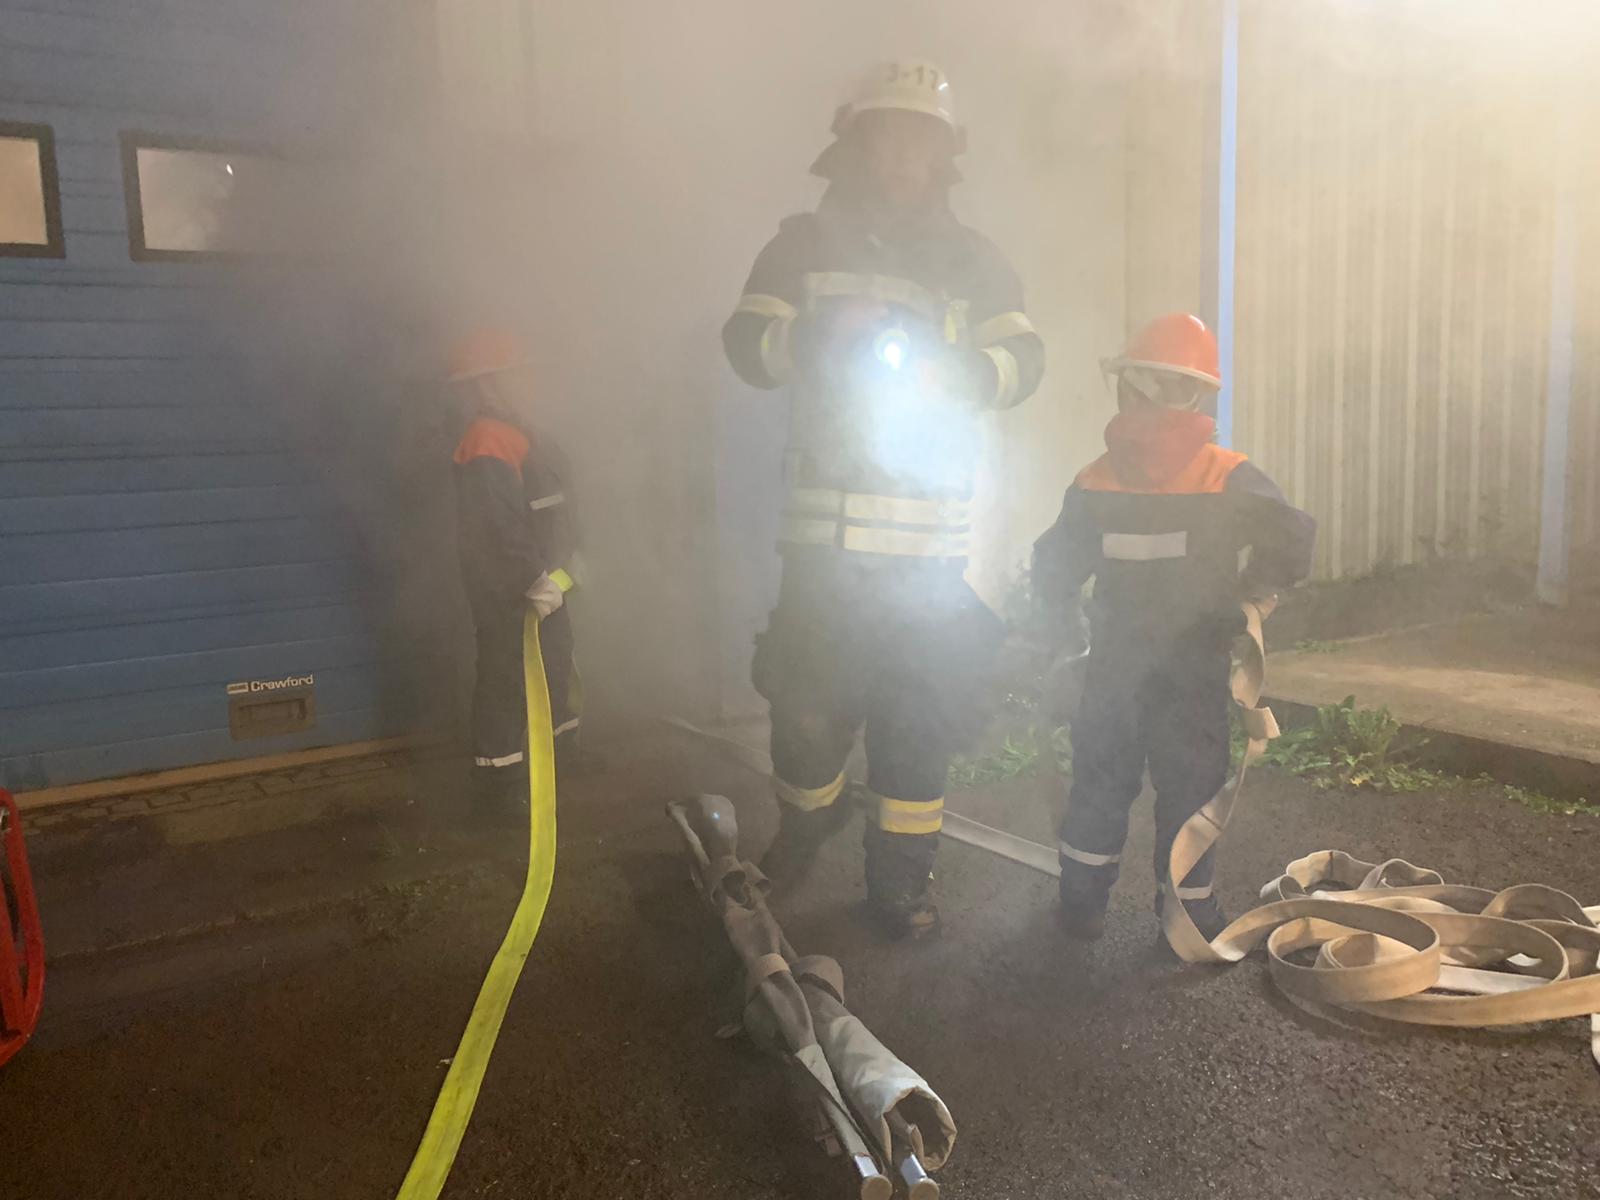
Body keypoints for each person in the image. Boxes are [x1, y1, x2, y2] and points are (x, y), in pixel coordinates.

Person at [722, 61, 1046, 937]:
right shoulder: (799, 247)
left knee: (916, 726)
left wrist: (965, 370)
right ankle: (807, 825)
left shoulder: (972, 261)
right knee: (804, 716)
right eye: (887, 136)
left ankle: (900, 884)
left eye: (920, 140)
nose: (903, 154)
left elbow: (1026, 359)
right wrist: (815, 334)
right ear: (855, 145)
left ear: (945, 156)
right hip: (823, 553)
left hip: (925, 562)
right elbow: (745, 344)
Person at [1032, 313, 1315, 941]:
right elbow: (1295, 538)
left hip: (1113, 669)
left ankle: (1080, 906)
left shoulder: (1095, 480)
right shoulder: (1227, 476)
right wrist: (1252, 593)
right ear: (1198, 395)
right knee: (1191, 789)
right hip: (1193, 667)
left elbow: (1052, 568)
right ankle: (1189, 916)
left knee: (1100, 781)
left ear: (1128, 387)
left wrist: (1059, 633)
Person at [447, 327, 582, 809]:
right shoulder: (488, 438)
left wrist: (572, 558)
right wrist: (532, 578)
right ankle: (498, 784)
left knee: (556, 661)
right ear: (488, 383)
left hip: (546, 580)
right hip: (511, 587)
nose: (528, 382)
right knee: (505, 677)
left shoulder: (522, 429)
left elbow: (554, 503)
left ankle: (562, 757)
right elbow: (497, 524)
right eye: (516, 374)